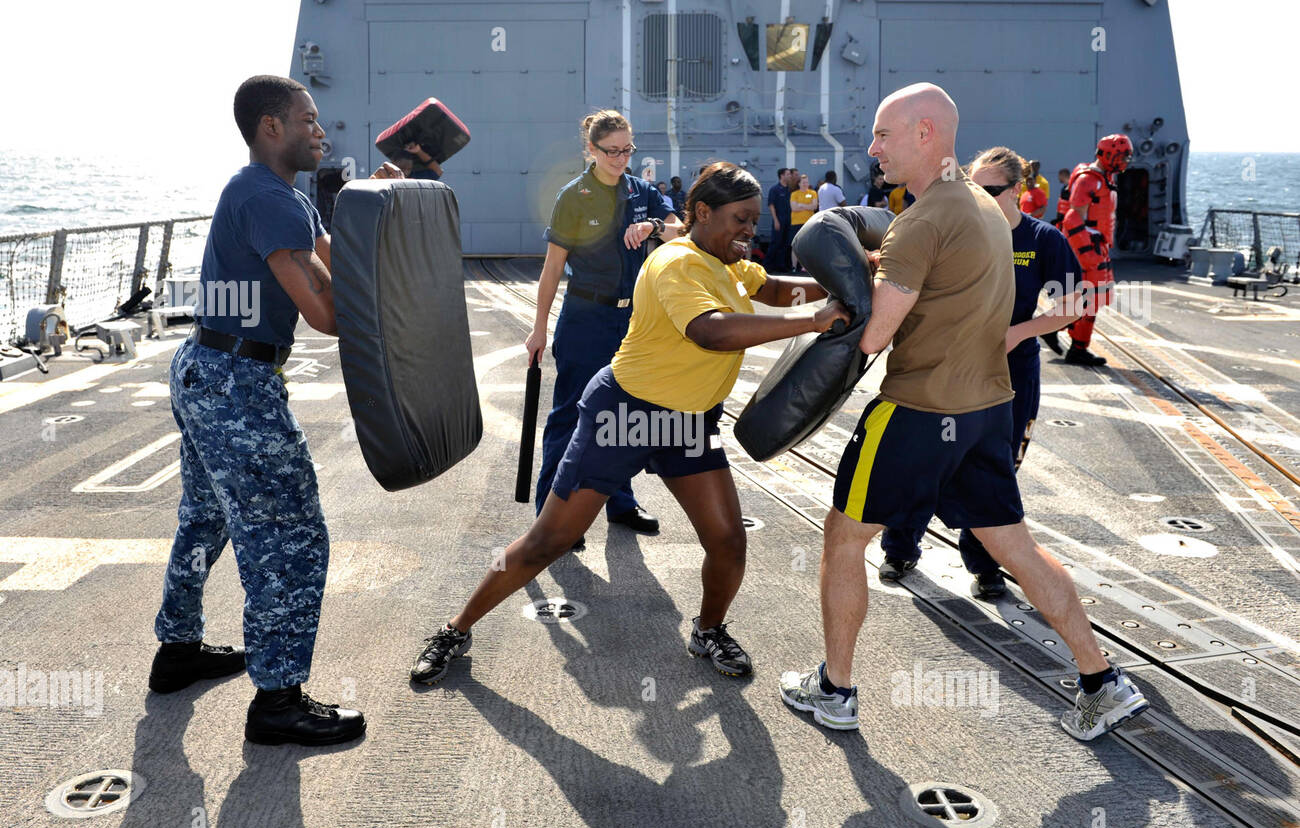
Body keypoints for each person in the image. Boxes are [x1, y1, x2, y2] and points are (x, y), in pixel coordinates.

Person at [779, 83, 1150, 742]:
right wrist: (885, 265)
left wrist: (831, 304)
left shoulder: (919, 221)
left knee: (843, 539)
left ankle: (835, 691)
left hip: (920, 409)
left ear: (926, 133)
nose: (873, 148)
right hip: (987, 409)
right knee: (1017, 548)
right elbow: (941, 279)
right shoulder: (982, 206)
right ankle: (1103, 681)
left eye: (884, 134)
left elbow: (871, 338)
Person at [411, 162, 843, 685]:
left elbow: (774, 289)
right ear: (702, 213)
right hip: (624, 415)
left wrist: (844, 278)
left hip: (685, 422)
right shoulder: (676, 263)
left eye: (754, 221)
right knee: (547, 541)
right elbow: (711, 331)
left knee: (728, 540)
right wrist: (815, 320)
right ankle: (454, 629)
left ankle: (708, 630)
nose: (751, 231)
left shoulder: (729, 262)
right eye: (741, 219)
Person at [151, 75, 401, 745]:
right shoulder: (272, 201)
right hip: (237, 385)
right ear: (272, 127)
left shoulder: (271, 192)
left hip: (204, 367)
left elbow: (331, 255)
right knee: (292, 537)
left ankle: (176, 651)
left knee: (205, 518)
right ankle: (278, 699)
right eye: (309, 119)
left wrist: (375, 205)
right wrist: (394, 297)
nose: (321, 131)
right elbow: (324, 313)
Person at [877, 145, 1089, 602]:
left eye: (992, 189)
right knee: (921, 461)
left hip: (1010, 374)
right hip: (945, 370)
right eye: (974, 187)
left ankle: (984, 562)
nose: (981, 197)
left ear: (1017, 190)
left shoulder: (1042, 240)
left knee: (994, 470)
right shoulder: (953, 229)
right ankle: (899, 547)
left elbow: (1075, 304)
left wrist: (1020, 332)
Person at [525, 110, 683, 550]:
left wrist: (651, 225)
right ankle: (550, 517)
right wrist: (539, 329)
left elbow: (679, 228)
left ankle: (621, 502)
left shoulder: (642, 190)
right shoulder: (573, 196)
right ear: (591, 151)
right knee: (570, 415)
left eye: (627, 149)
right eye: (611, 151)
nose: (620, 158)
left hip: (632, 320)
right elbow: (553, 268)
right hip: (585, 317)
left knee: (625, 416)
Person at [1055, 134, 1133, 366]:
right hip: (1088, 247)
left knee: (1093, 300)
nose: (1124, 161)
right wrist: (1087, 254)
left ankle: (1074, 345)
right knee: (1089, 300)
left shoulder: (1104, 178)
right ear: (1108, 155)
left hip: (1098, 246)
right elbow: (1072, 218)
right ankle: (1072, 345)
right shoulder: (1089, 180)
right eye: (1121, 156)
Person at [766, 167, 794, 273]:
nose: (789, 176)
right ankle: (767, 265)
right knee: (775, 243)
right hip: (779, 219)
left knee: (785, 244)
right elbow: (771, 205)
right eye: (787, 174)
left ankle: (780, 266)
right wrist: (776, 220)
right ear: (782, 176)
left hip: (788, 220)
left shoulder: (789, 189)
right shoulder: (775, 189)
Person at [789, 173, 818, 273]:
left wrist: (801, 205)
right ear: (799, 184)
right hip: (796, 223)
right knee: (795, 245)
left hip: (808, 223)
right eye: (803, 182)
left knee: (807, 245)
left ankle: (805, 267)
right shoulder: (794, 194)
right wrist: (807, 205)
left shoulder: (813, 193)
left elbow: (814, 206)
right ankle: (794, 267)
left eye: (807, 182)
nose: (806, 184)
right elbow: (794, 208)